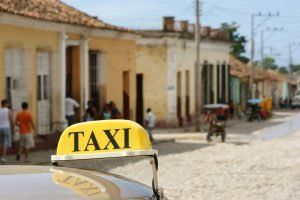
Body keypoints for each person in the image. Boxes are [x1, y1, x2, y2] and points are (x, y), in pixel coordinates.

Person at [0, 99, 14, 164]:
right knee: (5, 143)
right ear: (5, 104)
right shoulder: (8, 111)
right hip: (6, 128)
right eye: (7, 104)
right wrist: (12, 128)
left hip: (0, 128)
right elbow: (11, 120)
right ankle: (3, 157)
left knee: (1, 143)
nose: (8, 105)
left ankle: (1, 155)